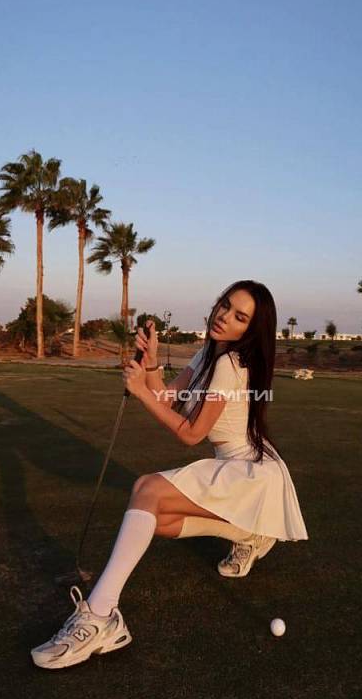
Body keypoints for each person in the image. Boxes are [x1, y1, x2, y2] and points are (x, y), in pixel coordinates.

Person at [31, 280, 308, 669]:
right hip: (236, 466)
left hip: (251, 471)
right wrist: (151, 363)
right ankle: (249, 534)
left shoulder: (230, 365)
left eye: (239, 317)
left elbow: (191, 434)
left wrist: (141, 392)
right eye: (225, 305)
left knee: (147, 489)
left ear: (251, 330)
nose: (224, 317)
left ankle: (101, 616)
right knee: (155, 521)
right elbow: (169, 397)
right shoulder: (209, 352)